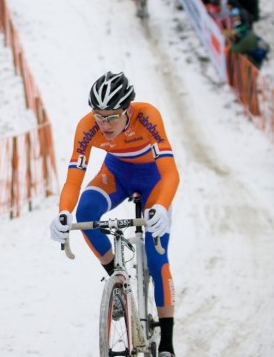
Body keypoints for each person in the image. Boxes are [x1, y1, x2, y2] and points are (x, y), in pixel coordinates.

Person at [49, 72, 180, 357]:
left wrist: (161, 206)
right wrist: (63, 212)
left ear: (128, 109)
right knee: (85, 212)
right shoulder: (87, 126)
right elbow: (74, 178)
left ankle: (168, 344)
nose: (105, 124)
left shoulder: (147, 116)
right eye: (99, 116)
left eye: (112, 117)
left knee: (157, 258)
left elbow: (171, 172)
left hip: (155, 181)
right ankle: (116, 281)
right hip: (117, 175)